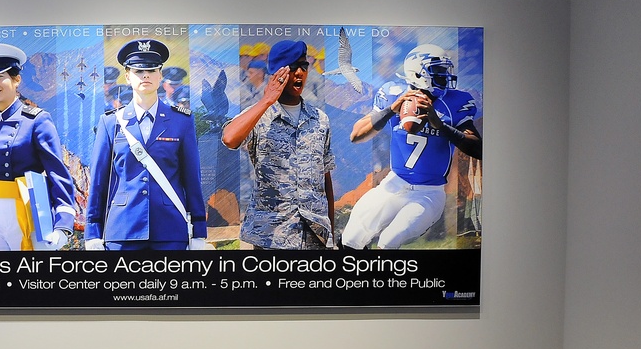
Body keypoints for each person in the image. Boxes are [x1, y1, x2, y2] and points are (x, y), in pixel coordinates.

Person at [342, 44, 482, 249]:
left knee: (389, 241)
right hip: (394, 184)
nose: (446, 76)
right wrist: (391, 110)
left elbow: (477, 149)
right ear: (419, 73)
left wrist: (441, 126)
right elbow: (356, 135)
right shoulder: (392, 93)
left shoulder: (456, 102)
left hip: (428, 192)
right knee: (351, 238)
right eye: (439, 71)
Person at [85, 39, 208, 250]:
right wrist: (93, 231)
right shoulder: (111, 122)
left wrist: (198, 230)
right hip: (123, 230)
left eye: (152, 70)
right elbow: (99, 182)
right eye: (138, 71)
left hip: (169, 230)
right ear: (127, 76)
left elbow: (191, 178)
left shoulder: (182, 121)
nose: (145, 76)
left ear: (160, 75)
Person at [221, 40, 335, 249]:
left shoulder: (320, 119)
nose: (299, 73)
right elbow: (229, 139)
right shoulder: (258, 116)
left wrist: (332, 237)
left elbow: (325, 179)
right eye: (292, 67)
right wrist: (267, 100)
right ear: (275, 73)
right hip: (272, 238)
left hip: (314, 237)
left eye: (303, 66)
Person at [0, 43, 76, 251]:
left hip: (31, 212)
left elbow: (58, 173)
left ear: (16, 79)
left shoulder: (37, 120)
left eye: (0, 77)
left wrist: (63, 223)